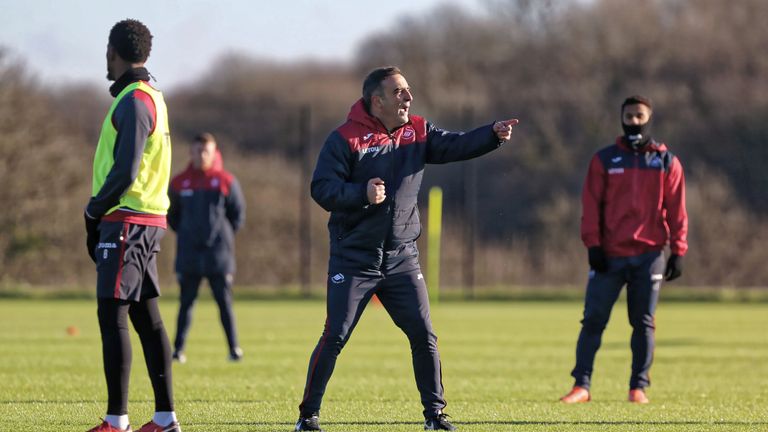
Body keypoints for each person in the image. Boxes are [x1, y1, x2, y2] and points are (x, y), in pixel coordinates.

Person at [294, 66, 519, 432]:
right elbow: (321, 188)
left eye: (408, 90)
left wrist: (491, 135)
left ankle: (435, 415)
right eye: (399, 92)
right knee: (335, 335)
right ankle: (308, 417)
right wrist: (360, 195)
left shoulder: (418, 130)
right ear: (376, 100)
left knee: (424, 335)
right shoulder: (344, 138)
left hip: (401, 257)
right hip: (354, 259)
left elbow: (455, 144)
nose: (408, 97)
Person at [83, 19, 181, 432]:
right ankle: (164, 419)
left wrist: (93, 210)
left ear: (113, 52)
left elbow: (125, 170)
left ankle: (116, 420)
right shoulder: (150, 95)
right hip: (144, 219)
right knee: (146, 317)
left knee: (114, 314)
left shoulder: (135, 101)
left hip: (127, 219)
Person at [560, 95, 688, 405]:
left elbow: (677, 209)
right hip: (610, 254)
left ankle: (637, 387)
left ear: (649, 118)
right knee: (593, 319)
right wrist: (593, 245)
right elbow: (590, 206)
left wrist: (678, 250)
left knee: (643, 322)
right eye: (628, 116)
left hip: (650, 255)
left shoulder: (665, 161)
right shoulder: (604, 160)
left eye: (639, 116)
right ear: (621, 119)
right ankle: (582, 386)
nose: (634, 122)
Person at [168, 133, 246, 363]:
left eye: (206, 151)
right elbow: (172, 216)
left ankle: (234, 349)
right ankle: (178, 350)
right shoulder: (179, 183)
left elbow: (237, 217)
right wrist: (187, 234)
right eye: (197, 150)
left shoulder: (226, 181)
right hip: (189, 254)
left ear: (214, 153)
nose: (202, 155)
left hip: (218, 256)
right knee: (186, 304)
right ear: (191, 153)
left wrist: (221, 237)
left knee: (224, 303)